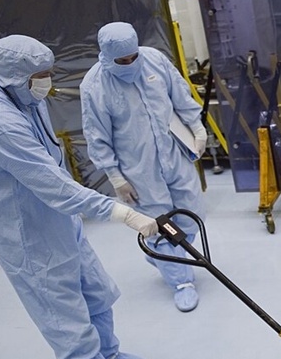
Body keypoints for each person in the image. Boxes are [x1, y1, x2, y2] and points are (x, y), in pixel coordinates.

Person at [0, 35, 159, 359]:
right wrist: (124, 214)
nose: (47, 82)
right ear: (15, 76)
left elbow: (53, 171)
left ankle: (108, 354)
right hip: (26, 227)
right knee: (62, 307)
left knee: (94, 288)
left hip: (57, 214)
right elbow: (52, 184)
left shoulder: (24, 95)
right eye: (41, 75)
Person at [81, 22, 208, 312]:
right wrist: (115, 176)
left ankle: (165, 257)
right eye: (121, 61)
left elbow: (180, 96)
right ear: (105, 56)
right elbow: (96, 135)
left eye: (132, 57)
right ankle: (181, 281)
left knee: (190, 214)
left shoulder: (154, 59)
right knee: (157, 223)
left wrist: (198, 130)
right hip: (138, 168)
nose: (129, 64)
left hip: (174, 152)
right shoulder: (94, 86)